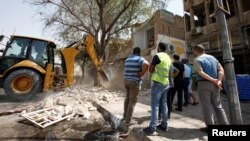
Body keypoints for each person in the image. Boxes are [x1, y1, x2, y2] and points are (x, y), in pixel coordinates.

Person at [193, 44, 229, 130]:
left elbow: (200, 73)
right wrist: (219, 80)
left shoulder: (197, 59)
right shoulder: (213, 58)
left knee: (207, 106)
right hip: (216, 85)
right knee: (218, 106)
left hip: (204, 84)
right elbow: (221, 70)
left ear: (196, 50)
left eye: (194, 51)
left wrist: (213, 80)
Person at [143, 42, 172, 135]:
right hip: (166, 83)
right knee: (164, 104)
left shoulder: (157, 56)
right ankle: (164, 125)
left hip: (158, 83)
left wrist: (154, 70)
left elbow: (150, 70)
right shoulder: (169, 58)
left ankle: (152, 128)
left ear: (159, 48)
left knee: (155, 106)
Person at [123, 47, 149, 127]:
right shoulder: (139, 59)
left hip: (126, 81)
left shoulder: (127, 59)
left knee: (127, 99)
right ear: (139, 52)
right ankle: (128, 120)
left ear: (133, 52)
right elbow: (147, 64)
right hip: (134, 82)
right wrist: (142, 73)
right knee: (132, 101)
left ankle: (124, 117)